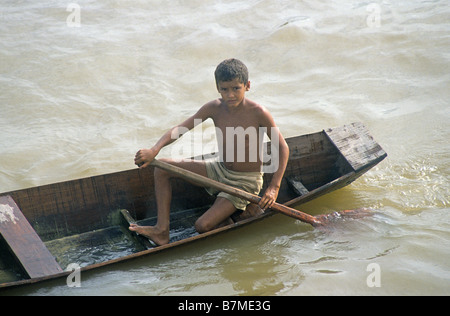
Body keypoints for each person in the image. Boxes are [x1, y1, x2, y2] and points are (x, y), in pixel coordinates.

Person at [131, 58, 289, 246]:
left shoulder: (258, 112)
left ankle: (242, 214)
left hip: (245, 182)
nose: (230, 95)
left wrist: (273, 187)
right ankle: (161, 230)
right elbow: (181, 129)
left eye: (236, 88)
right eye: (224, 89)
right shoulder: (214, 108)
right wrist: (154, 150)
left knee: (202, 226)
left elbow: (282, 147)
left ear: (247, 86)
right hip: (219, 169)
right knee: (162, 168)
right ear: (217, 88)